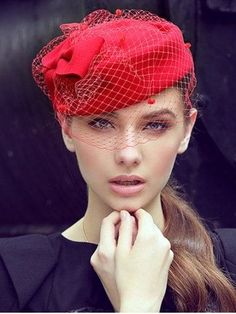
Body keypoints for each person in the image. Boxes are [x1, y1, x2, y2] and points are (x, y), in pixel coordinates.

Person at [0, 8, 235, 312]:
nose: (128, 154)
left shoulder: (229, 263)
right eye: (101, 123)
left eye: (155, 125)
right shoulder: (13, 276)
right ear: (67, 128)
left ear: (187, 130)